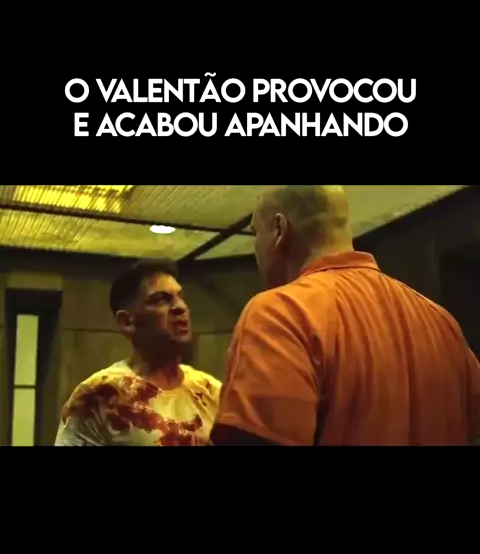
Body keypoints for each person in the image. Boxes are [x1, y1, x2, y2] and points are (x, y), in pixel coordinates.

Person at [211, 185, 480, 446]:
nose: (256, 248)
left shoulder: (279, 313)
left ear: (279, 230)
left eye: (255, 233)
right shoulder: (442, 321)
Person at [56, 259, 222, 446]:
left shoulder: (211, 392)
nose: (180, 307)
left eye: (180, 296)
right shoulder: (99, 398)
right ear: (127, 321)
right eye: (161, 299)